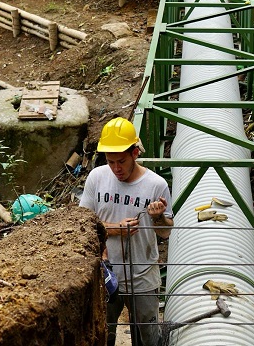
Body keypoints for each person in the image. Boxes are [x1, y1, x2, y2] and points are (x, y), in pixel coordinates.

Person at [80, 117, 174, 346]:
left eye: (121, 161)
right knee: (103, 334)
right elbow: (82, 225)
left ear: (135, 153)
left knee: (149, 337)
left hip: (142, 278)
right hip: (106, 275)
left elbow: (165, 233)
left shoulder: (156, 184)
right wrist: (114, 229)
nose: (116, 169)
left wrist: (158, 217)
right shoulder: (97, 178)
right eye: (110, 162)